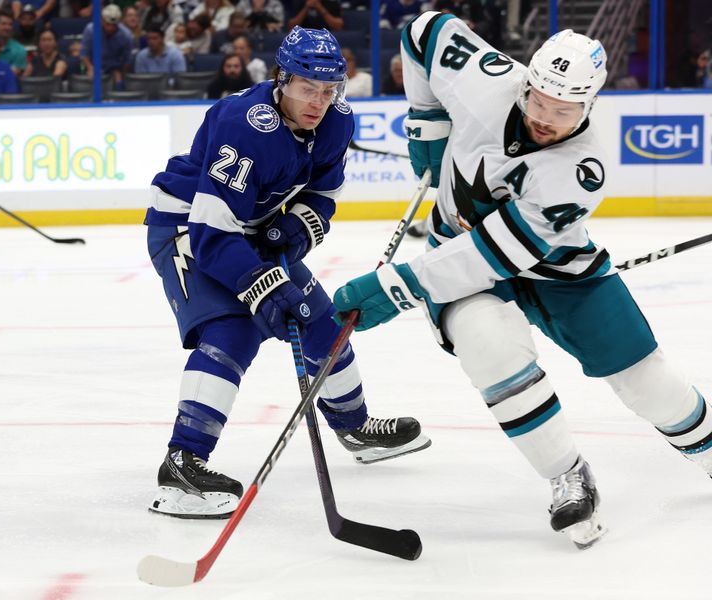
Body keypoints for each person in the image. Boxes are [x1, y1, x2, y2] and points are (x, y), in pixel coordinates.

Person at [331, 12, 712, 549]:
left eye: (564, 109)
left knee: (650, 384)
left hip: (555, 268)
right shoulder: (486, 77)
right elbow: (422, 31)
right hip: (459, 259)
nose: (545, 117)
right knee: (490, 347)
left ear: (591, 105)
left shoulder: (582, 167)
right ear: (527, 81)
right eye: (538, 99)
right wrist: (427, 121)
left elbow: (491, 254)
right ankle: (567, 473)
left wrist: (399, 286)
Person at [144, 26, 431, 518]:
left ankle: (354, 426)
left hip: (248, 226)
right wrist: (262, 286)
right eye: (307, 88)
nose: (319, 101)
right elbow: (213, 233)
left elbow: (322, 195)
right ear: (282, 78)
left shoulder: (337, 120)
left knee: (322, 320)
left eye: (328, 90)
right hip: (188, 226)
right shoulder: (245, 124)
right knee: (232, 329)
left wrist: (299, 229)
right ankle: (183, 462)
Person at [80, 4, 134, 87]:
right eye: (107, 24)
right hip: (93, 68)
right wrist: (90, 67)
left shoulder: (126, 36)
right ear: (102, 20)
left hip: (114, 70)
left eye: (114, 25)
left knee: (119, 82)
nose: (110, 28)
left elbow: (126, 61)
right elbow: (84, 54)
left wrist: (121, 75)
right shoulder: (90, 30)